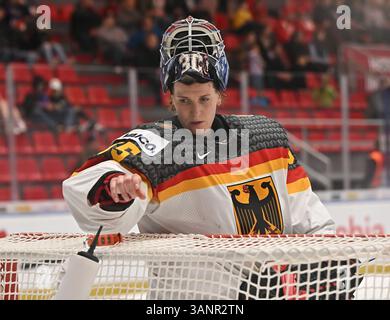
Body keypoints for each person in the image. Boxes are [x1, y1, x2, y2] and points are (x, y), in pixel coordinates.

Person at [63, 16, 342, 300]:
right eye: (184, 100)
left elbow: (310, 220)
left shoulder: (266, 137)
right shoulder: (155, 146)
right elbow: (87, 190)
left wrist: (331, 261)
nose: (195, 114)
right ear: (170, 97)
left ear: (220, 94)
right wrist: (114, 186)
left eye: (204, 99)